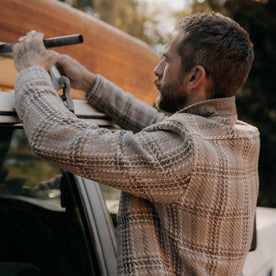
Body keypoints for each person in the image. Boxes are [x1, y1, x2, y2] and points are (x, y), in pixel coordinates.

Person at [12, 12, 259, 275]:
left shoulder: (183, 150)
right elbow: (156, 125)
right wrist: (89, 82)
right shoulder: (240, 136)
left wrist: (30, 70)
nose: (158, 69)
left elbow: (55, 137)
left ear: (194, 77)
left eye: (166, 60)